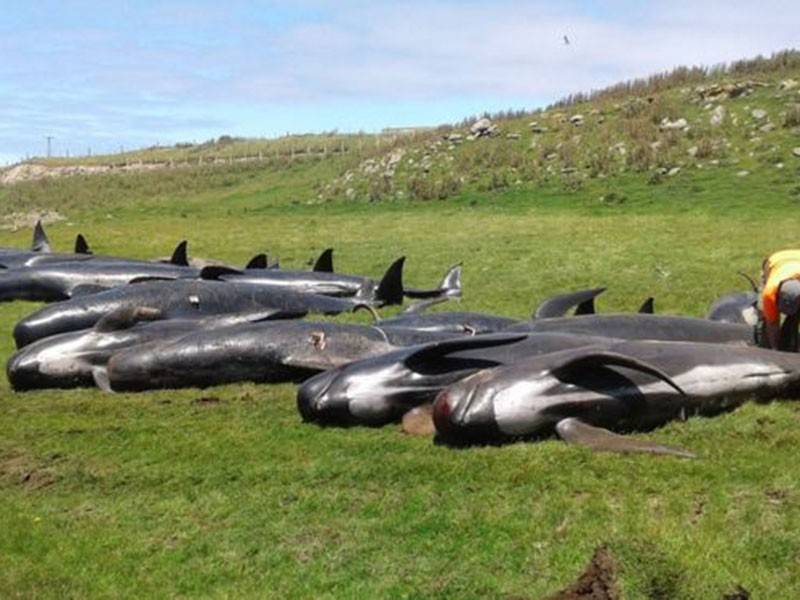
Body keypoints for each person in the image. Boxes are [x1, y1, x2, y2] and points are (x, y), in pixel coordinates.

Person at [761, 250, 800, 349]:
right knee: (767, 315)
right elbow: (772, 324)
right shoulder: (770, 293)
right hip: (776, 260)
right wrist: (775, 350)